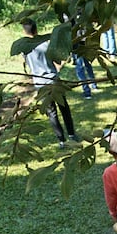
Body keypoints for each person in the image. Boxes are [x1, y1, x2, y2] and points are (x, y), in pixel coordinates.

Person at [18, 19, 78, 147]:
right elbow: (56, 60)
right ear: (36, 29)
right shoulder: (45, 45)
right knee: (64, 108)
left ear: (25, 31)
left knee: (52, 113)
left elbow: (28, 64)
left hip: (40, 83)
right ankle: (72, 134)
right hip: (53, 79)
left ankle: (61, 140)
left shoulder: (24, 50)